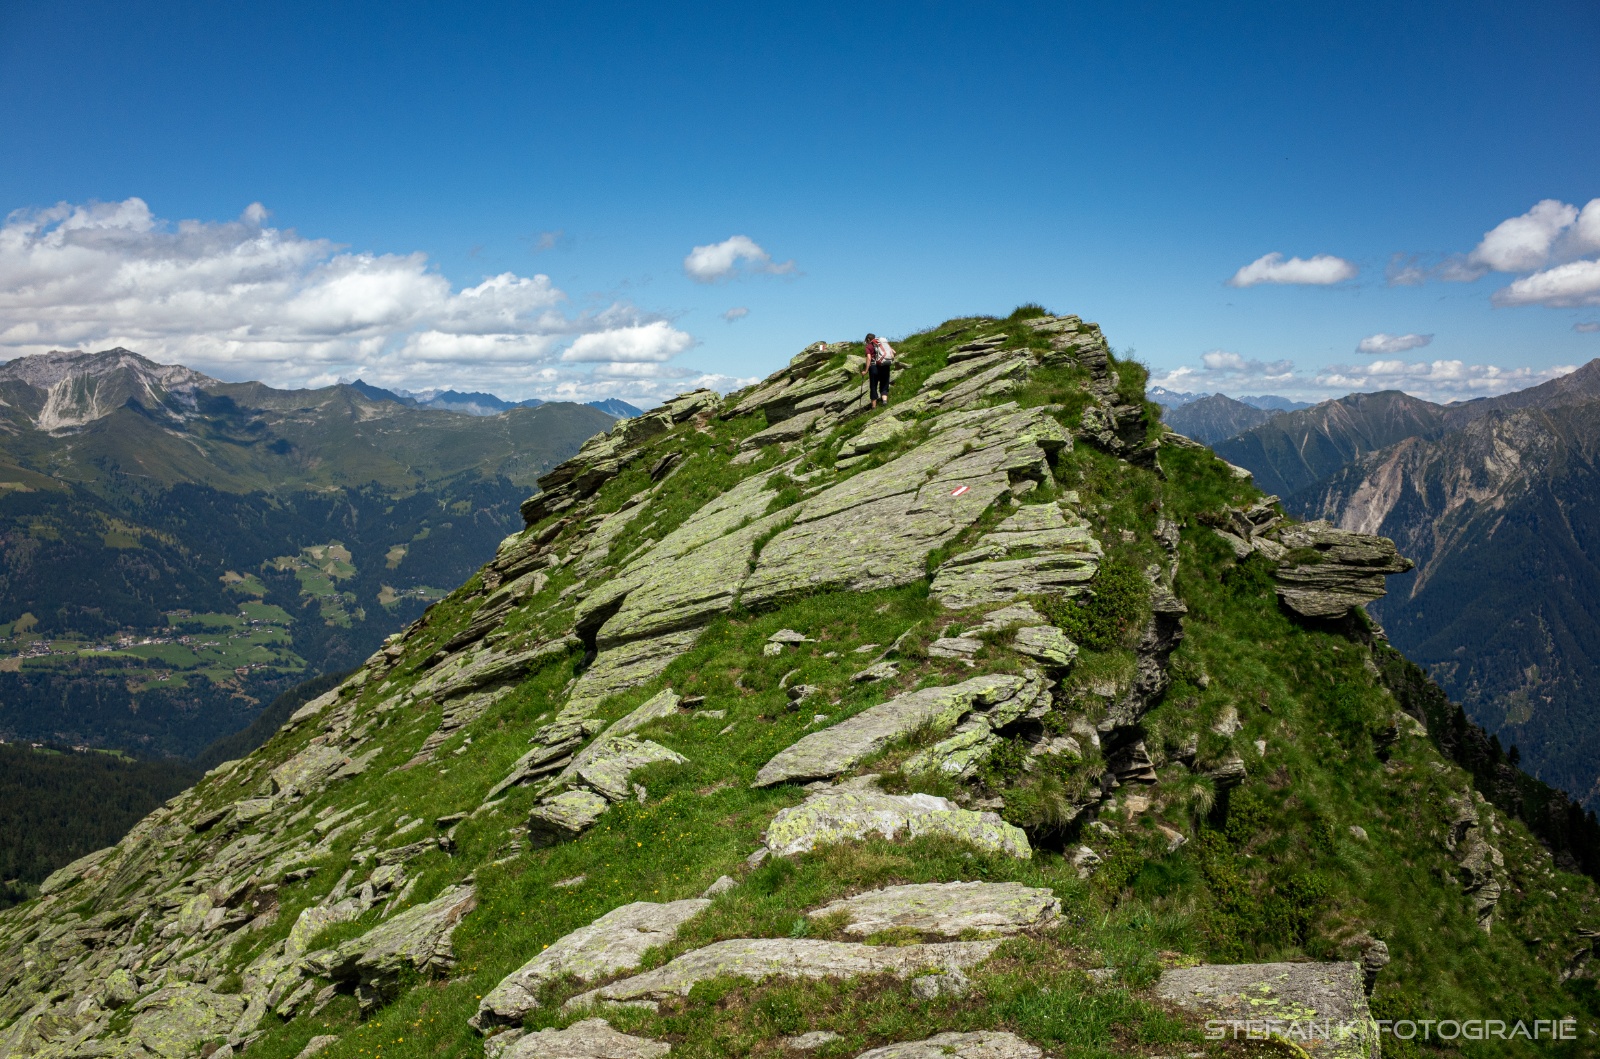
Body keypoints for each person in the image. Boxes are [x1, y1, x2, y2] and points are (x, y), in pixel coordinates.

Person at [863, 332, 895, 409]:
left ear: (868, 339)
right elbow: (894, 352)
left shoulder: (869, 347)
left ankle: (874, 407)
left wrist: (866, 370)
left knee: (873, 386)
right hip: (884, 366)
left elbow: (869, 358)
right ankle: (884, 401)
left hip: (874, 367)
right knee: (884, 384)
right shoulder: (882, 344)